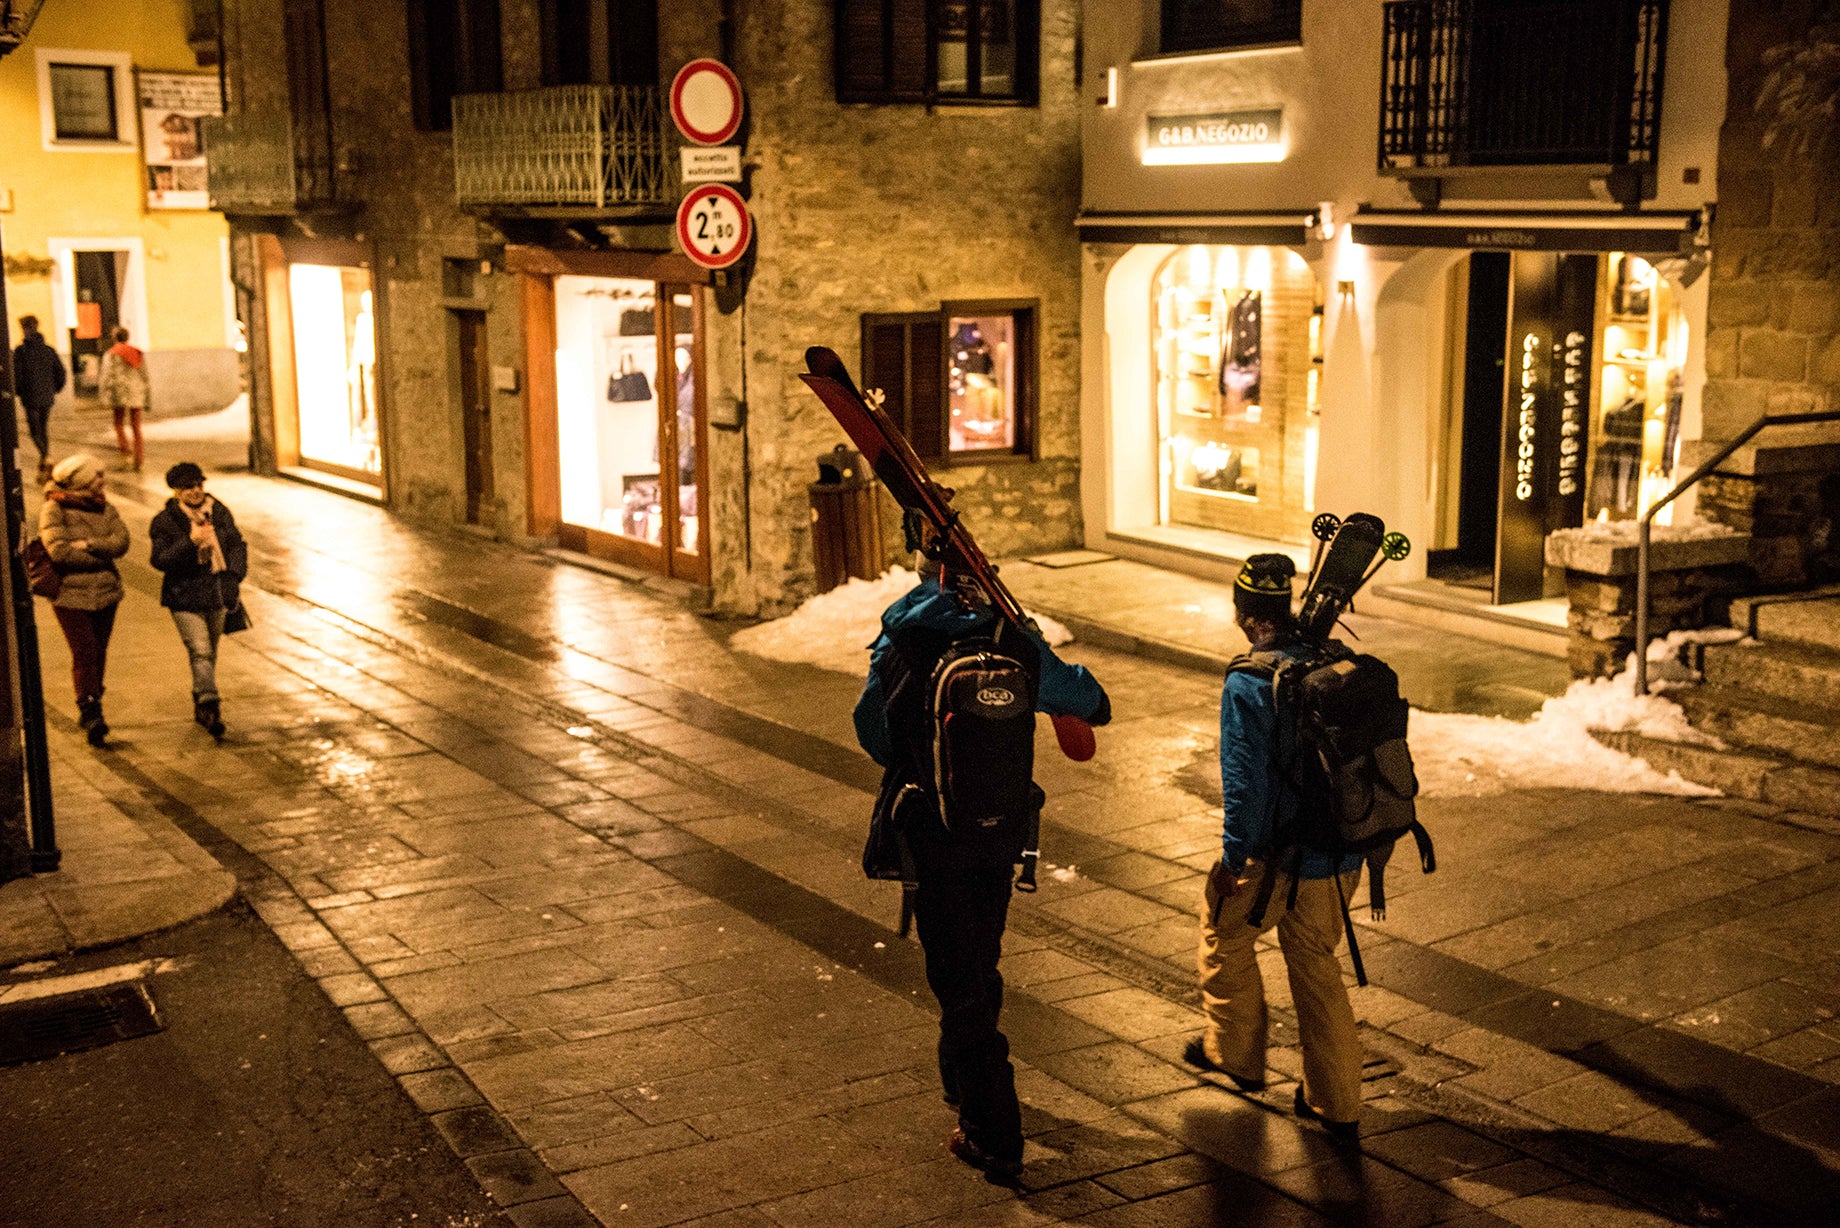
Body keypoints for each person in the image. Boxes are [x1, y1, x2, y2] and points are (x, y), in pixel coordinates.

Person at [854, 522, 1111, 1179]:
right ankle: (961, 1084)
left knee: (957, 978)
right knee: (979, 959)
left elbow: (874, 734)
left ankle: (992, 1130)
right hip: (1001, 833)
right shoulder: (1012, 637)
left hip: (933, 832)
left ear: (923, 572)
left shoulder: (905, 636)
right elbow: (1091, 701)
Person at [1186, 554, 1366, 1142]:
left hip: (1281, 857)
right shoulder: (1332, 661)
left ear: (1243, 614)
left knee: (1224, 931)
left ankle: (1235, 1055)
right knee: (1316, 964)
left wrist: (1233, 862)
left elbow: (1245, 787)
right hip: (1342, 850)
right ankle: (1336, 1104)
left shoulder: (1248, 681)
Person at [149, 462, 246, 739]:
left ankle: (201, 699)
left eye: (199, 485)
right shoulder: (165, 521)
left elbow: (237, 543)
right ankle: (210, 703)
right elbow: (160, 560)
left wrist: (235, 574)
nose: (196, 491)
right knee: (200, 650)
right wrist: (190, 542)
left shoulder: (218, 511)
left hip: (216, 592)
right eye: (189, 487)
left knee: (210, 652)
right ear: (177, 491)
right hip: (184, 596)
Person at [39, 455, 130, 746]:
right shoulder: (54, 508)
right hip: (70, 595)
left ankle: (93, 701)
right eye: (97, 475)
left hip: (106, 593)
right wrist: (101, 557)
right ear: (81, 480)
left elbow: (122, 542)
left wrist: (90, 544)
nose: (102, 481)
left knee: (99, 651)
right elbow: (60, 552)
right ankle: (90, 708)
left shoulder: (104, 506)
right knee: (85, 651)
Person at [12, 315, 67, 482]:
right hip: (46, 397)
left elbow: (17, 375)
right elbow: (61, 373)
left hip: (30, 398)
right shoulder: (48, 350)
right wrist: (54, 389)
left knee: (35, 432)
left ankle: (46, 457)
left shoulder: (21, 351)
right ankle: (44, 464)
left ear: (26, 329)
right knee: (43, 430)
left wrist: (19, 392)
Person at [98, 326, 150, 472]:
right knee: (136, 426)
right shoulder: (137, 353)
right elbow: (144, 375)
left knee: (119, 424)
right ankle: (139, 458)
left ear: (115, 338)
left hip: (119, 393)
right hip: (136, 392)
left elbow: (107, 375)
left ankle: (126, 453)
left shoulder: (112, 353)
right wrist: (146, 396)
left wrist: (104, 395)